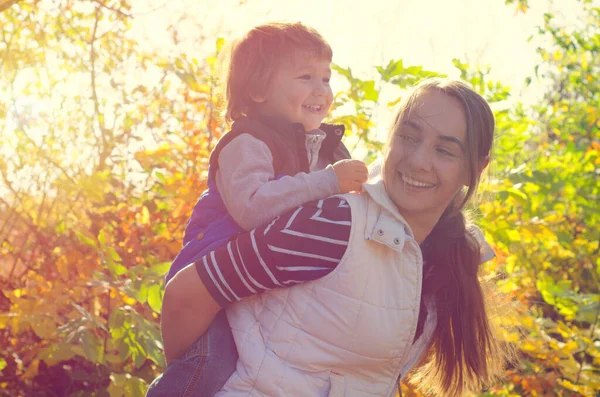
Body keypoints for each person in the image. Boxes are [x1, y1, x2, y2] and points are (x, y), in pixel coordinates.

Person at [158, 78, 513, 396]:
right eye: (409, 136)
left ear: (474, 168)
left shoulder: (442, 255)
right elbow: (186, 296)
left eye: (444, 150)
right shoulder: (335, 222)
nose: (419, 160)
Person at [150, 21, 368, 396]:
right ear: (257, 90)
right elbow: (252, 208)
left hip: (273, 291)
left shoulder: (328, 149)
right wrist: (327, 182)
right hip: (215, 288)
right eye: (305, 77)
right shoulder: (247, 142)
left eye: (326, 78)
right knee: (210, 365)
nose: (322, 90)